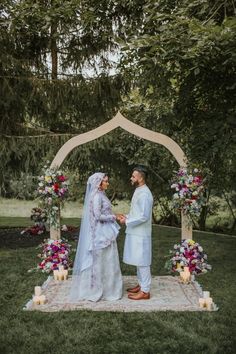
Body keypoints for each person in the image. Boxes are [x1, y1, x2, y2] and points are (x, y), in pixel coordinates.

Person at [69, 172, 123, 302]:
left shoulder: (101, 194)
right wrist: (114, 217)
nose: (107, 183)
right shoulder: (97, 196)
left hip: (105, 231)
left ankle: (108, 287)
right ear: (99, 183)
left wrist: (114, 214)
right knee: (100, 261)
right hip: (100, 233)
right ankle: (96, 289)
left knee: (107, 260)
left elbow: (104, 211)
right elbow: (98, 216)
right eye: (105, 181)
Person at [119, 165, 153, 300]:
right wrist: (127, 216)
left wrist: (126, 221)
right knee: (139, 260)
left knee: (143, 261)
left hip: (141, 233)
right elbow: (136, 213)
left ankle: (145, 291)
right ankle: (141, 284)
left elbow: (143, 216)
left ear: (141, 177)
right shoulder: (139, 190)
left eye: (134, 176)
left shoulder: (145, 193)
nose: (131, 178)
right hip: (135, 231)